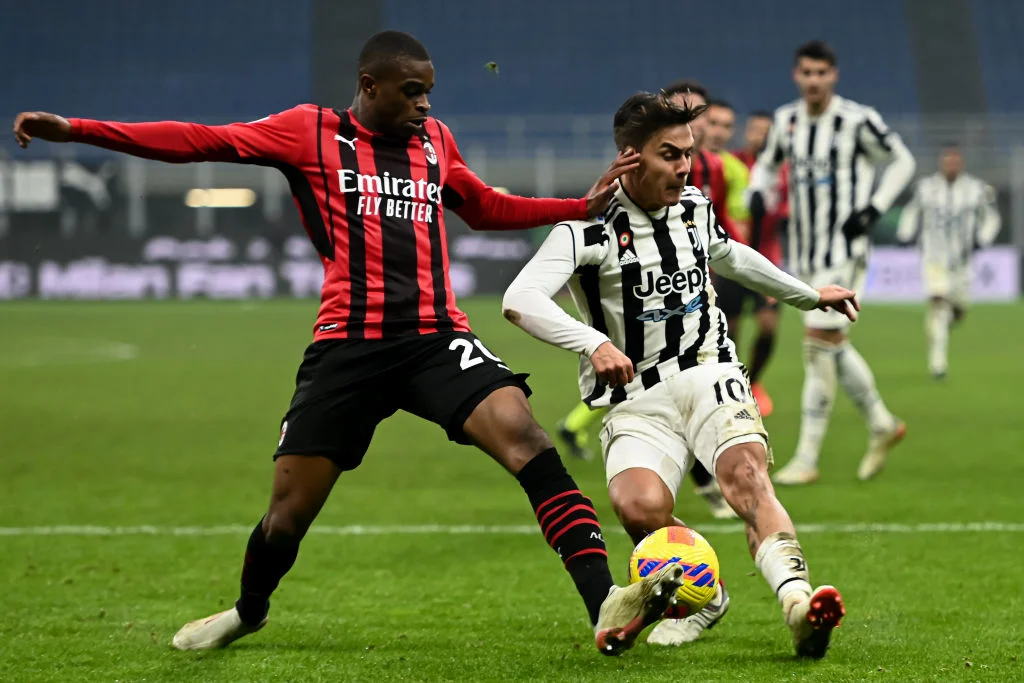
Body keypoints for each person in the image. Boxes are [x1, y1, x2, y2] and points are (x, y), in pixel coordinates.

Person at [12, 30, 687, 656]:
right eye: (412, 92)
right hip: (348, 348)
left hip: (435, 337)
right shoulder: (308, 132)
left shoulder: (434, 141)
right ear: (369, 85)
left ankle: (604, 603)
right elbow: (199, 141)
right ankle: (248, 609)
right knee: (286, 516)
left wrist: (574, 206)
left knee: (528, 441)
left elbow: (482, 206)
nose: (425, 105)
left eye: (429, 92)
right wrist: (78, 130)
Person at [503, 91, 848, 657]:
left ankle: (798, 605)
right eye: (670, 154)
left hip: (710, 369)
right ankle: (706, 596)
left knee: (745, 477)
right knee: (638, 508)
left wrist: (808, 295)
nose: (685, 167)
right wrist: (593, 343)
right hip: (637, 395)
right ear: (629, 157)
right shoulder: (586, 229)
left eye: (687, 153)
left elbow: (731, 254)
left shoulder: (694, 207)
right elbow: (520, 299)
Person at [555, 80, 738, 521]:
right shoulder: (627, 189)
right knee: (644, 369)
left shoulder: (723, 169)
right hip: (648, 291)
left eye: (714, 122)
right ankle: (698, 479)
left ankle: (703, 478)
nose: (707, 129)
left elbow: (724, 225)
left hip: (698, 276)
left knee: (692, 369)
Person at [748, 40, 917, 485]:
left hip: (845, 251)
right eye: (807, 72)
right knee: (832, 345)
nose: (814, 80)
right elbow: (765, 166)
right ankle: (882, 423)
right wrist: (758, 193)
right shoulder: (786, 121)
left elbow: (902, 161)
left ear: (834, 75)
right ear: (796, 75)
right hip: (805, 254)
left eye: (822, 72)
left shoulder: (856, 120)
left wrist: (874, 208)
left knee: (817, 343)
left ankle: (807, 458)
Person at [896, 143, 1001, 378]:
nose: (951, 165)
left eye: (955, 161)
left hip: (962, 262)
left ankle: (941, 326)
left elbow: (992, 218)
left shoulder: (976, 189)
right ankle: (938, 364)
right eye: (947, 160)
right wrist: (905, 234)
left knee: (959, 310)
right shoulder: (926, 188)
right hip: (934, 257)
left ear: (961, 163)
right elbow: (912, 211)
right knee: (938, 304)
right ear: (941, 162)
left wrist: (983, 239)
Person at [704, 101, 780, 417]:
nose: (760, 137)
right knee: (729, 329)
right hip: (729, 260)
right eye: (755, 130)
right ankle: (731, 384)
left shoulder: (779, 169)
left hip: (761, 258)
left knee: (768, 325)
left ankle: (754, 382)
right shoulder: (729, 164)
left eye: (766, 132)